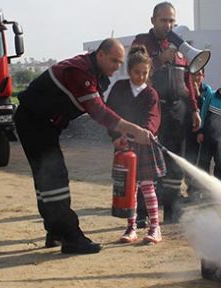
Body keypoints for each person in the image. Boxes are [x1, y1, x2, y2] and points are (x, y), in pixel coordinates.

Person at [13, 38, 153, 254]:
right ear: (100, 56)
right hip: (34, 121)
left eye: (120, 62)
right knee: (54, 178)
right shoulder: (80, 72)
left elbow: (101, 108)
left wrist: (116, 136)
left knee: (46, 180)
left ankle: (56, 231)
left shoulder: (95, 73)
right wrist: (135, 130)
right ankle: (71, 237)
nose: (117, 67)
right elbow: (98, 111)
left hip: (43, 124)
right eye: (114, 61)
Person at [131, 2, 202, 223]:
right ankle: (142, 213)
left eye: (172, 20)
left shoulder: (182, 47)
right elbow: (135, 70)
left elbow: (188, 80)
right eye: (163, 20)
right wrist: (160, 59)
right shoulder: (141, 42)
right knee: (147, 161)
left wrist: (194, 109)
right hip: (151, 108)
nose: (168, 25)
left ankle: (171, 209)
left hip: (178, 110)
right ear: (153, 20)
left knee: (175, 161)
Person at [106, 46, 166, 244]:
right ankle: (131, 228)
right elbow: (109, 114)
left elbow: (153, 117)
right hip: (124, 146)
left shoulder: (151, 94)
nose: (140, 77)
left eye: (144, 73)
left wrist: (146, 132)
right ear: (129, 71)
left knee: (148, 188)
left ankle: (155, 228)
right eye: (136, 72)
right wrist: (115, 136)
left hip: (145, 145)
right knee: (129, 188)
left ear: (149, 73)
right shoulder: (119, 89)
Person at [183, 68, 213, 200]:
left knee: (202, 161)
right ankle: (191, 188)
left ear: (204, 76)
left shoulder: (208, 91)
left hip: (201, 131)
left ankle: (202, 187)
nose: (197, 77)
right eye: (194, 75)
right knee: (189, 160)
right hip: (187, 130)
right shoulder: (184, 88)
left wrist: (198, 95)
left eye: (199, 74)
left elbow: (205, 112)